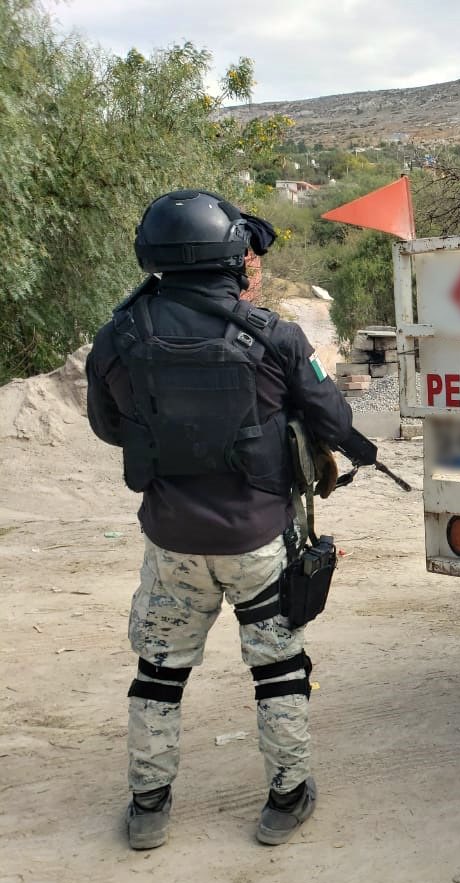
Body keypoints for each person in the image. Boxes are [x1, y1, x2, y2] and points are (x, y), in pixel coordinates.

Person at [87, 190, 356, 849]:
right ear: (232, 257)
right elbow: (336, 423)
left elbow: (107, 426)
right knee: (278, 670)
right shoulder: (274, 338)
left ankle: (149, 807)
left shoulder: (119, 336)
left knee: (158, 671)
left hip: (172, 543)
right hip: (258, 539)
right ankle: (285, 798)